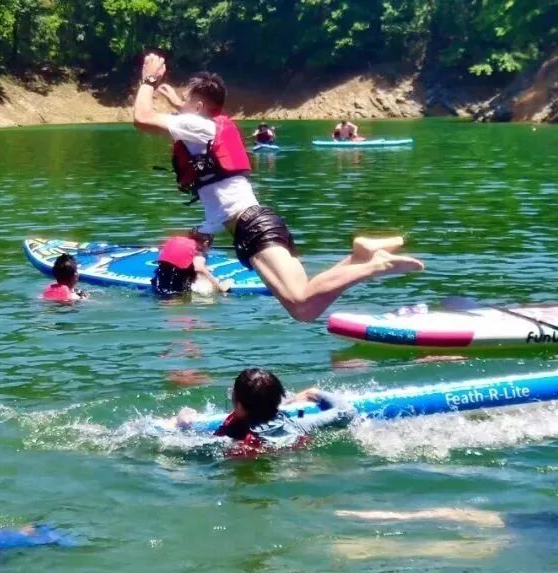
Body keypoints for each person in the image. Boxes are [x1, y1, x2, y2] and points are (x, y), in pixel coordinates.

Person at [132, 54, 423, 322]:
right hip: (255, 223)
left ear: (197, 108)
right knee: (303, 301)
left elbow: (142, 119)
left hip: (252, 228)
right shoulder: (208, 128)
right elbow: (222, 198)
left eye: (185, 101)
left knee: (302, 306)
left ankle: (374, 265)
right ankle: (359, 256)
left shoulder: (199, 127)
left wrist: (148, 80)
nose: (179, 106)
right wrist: (206, 229)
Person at [174, 367, 352, 456]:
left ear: (240, 406)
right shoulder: (300, 425)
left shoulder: (229, 441)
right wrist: (314, 392)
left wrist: (184, 419)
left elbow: (184, 448)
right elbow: (346, 412)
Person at [152, 230, 229, 295]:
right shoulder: (199, 251)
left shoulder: (176, 240)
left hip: (159, 278)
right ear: (206, 242)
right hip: (176, 284)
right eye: (210, 246)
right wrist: (220, 287)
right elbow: (199, 268)